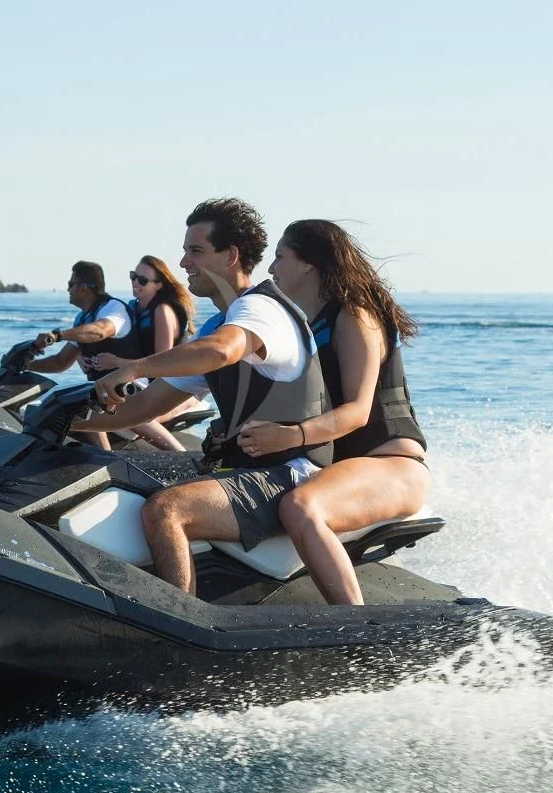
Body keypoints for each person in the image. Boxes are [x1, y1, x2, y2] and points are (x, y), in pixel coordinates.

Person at [73, 198, 333, 596]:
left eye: (195, 251)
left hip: (289, 474)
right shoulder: (220, 321)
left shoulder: (260, 309)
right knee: (130, 475)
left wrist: (137, 366)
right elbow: (144, 407)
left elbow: (222, 350)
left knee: (167, 509)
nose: (183, 263)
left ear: (230, 255)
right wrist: (71, 421)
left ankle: (180, 621)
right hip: (251, 469)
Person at [234, 219, 429, 605]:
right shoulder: (307, 323)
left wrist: (289, 435)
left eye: (280, 257)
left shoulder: (355, 315)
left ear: (308, 264)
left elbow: (357, 411)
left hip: (393, 464)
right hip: (346, 468)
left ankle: (355, 630)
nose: (271, 268)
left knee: (300, 507)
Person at [86, 256, 200, 451]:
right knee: (89, 405)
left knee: (134, 414)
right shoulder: (132, 308)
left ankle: (184, 460)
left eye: (143, 280)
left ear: (158, 285)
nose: (135, 283)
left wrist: (116, 361)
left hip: (176, 385)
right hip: (144, 384)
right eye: (133, 276)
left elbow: (164, 362)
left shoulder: (162, 310)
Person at [29, 260, 139, 450]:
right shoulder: (83, 318)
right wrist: (26, 366)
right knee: (64, 401)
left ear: (83, 288)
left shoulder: (112, 308)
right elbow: (61, 362)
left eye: (71, 284)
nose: (67, 289)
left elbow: (100, 331)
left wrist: (57, 335)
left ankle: (107, 459)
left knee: (84, 403)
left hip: (130, 387)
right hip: (104, 390)